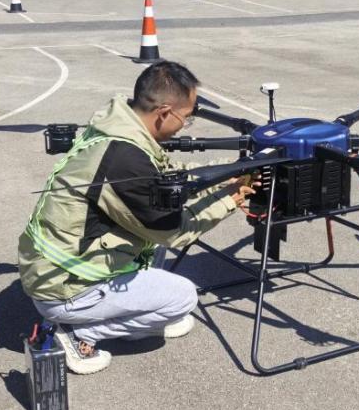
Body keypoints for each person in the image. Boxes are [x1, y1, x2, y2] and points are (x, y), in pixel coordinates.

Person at [18, 61, 254, 375]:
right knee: (182, 299)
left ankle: (120, 314)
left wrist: (229, 173)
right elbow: (175, 231)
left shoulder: (118, 129)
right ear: (165, 112)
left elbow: (169, 179)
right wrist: (228, 200)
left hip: (54, 270)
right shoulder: (124, 159)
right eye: (186, 118)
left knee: (155, 250)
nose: (185, 126)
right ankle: (78, 333)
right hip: (64, 289)